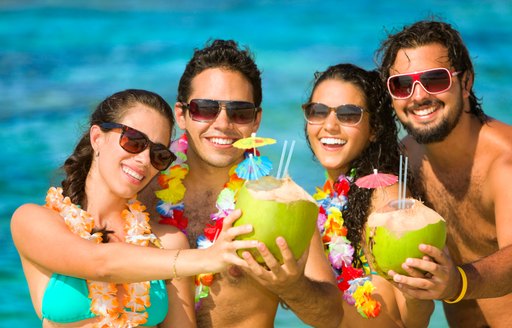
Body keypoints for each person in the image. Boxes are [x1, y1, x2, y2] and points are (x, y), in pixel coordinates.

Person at [10, 89, 258, 327]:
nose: (143, 160)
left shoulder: (168, 243)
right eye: (134, 141)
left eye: (159, 154)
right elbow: (100, 264)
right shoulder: (33, 221)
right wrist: (207, 258)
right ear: (97, 138)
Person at [140, 39, 342, 327]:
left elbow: (331, 316)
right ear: (181, 115)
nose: (223, 123)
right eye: (205, 108)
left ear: (256, 120)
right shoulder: (145, 190)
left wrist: (292, 287)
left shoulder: (284, 200)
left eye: (240, 112)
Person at [376, 19, 512, 327]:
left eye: (435, 80)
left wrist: (458, 283)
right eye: (402, 85)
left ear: (466, 83)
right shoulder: (404, 160)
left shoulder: (505, 162)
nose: (418, 96)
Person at [303, 63, 434, 327]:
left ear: (374, 129)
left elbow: (413, 318)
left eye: (348, 115)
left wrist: (419, 292)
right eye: (318, 112)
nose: (329, 125)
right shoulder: (332, 195)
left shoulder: (384, 196)